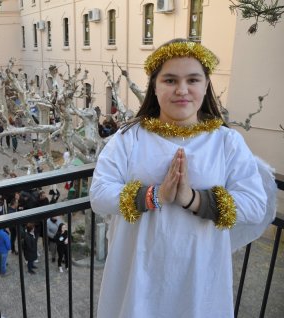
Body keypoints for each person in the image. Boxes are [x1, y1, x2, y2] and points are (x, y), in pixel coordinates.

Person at [89, 39, 272, 318]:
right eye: (170, 80)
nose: (182, 90)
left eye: (193, 80)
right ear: (155, 85)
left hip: (199, 278)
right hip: (137, 273)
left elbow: (256, 204)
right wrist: (154, 196)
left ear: (206, 85)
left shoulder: (227, 142)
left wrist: (195, 199)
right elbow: (99, 194)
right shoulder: (128, 139)